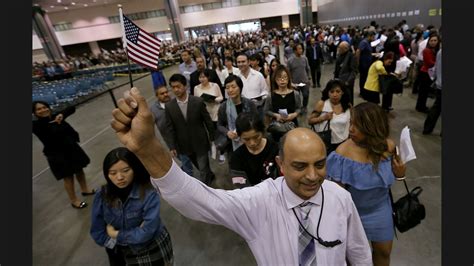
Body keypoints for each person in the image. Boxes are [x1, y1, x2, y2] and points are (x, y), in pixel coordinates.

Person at [110, 87, 373, 265]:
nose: (313, 176)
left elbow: (360, 254)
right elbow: (198, 200)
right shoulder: (259, 202)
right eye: (300, 166)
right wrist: (148, 149)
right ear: (281, 164)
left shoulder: (340, 198)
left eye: (320, 164)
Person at [326, 102, 406, 266]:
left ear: (372, 127)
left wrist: (400, 175)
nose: (351, 129)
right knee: (353, 259)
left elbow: (395, 177)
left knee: (383, 252)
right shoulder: (342, 153)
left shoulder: (388, 147)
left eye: (357, 125)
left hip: (381, 210)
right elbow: (336, 196)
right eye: (351, 123)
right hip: (352, 214)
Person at [90, 147, 174, 266]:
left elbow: (148, 231)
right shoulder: (102, 194)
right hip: (117, 251)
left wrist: (116, 235)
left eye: (125, 170)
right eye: (113, 173)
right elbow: (97, 230)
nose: (119, 177)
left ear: (135, 169)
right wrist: (114, 244)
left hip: (149, 248)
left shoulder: (148, 192)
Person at [32, 101, 94, 209]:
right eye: (39, 109)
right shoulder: (36, 125)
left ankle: (85, 189)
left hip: (71, 147)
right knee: (68, 176)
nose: (43, 110)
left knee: (79, 169)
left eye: (44, 107)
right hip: (56, 154)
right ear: (35, 113)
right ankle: (74, 200)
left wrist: (62, 115)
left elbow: (71, 108)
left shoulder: (56, 116)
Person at [164, 73, 216, 185]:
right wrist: (172, 146)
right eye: (173, 87)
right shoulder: (169, 106)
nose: (176, 90)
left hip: (200, 142)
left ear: (185, 86)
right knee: (199, 166)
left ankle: (206, 188)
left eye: (178, 86)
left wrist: (212, 137)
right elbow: (170, 128)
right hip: (184, 145)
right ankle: (209, 174)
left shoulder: (197, 102)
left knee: (202, 168)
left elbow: (207, 121)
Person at [230, 112, 279, 188]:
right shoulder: (236, 158)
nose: (252, 143)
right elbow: (241, 185)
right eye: (246, 139)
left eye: (256, 137)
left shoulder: (275, 149)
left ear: (262, 132)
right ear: (239, 136)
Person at [216, 75, 258, 161]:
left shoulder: (249, 104)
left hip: (250, 141)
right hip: (232, 143)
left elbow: (257, 121)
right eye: (227, 88)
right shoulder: (223, 106)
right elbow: (219, 124)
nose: (230, 90)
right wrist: (227, 132)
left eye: (233, 87)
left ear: (240, 88)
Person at [308, 79, 351, 154]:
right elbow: (310, 121)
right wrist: (323, 118)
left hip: (344, 142)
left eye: (338, 91)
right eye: (332, 92)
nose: (335, 94)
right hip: (327, 143)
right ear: (328, 93)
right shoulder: (322, 104)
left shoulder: (347, 106)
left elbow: (352, 122)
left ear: (342, 92)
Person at [264, 65, 303, 142]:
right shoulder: (271, 96)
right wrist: (276, 115)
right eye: (279, 78)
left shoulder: (295, 94)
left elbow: (299, 108)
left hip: (292, 125)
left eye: (285, 77)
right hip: (277, 127)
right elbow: (266, 110)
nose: (282, 80)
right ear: (275, 80)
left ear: (288, 79)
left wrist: (294, 115)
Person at [416, 33, 440, 113]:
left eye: (435, 40)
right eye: (431, 40)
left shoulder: (436, 51)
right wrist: (438, 63)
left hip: (430, 73)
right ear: (428, 41)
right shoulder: (426, 50)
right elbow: (429, 63)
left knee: (425, 92)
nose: (433, 42)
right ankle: (421, 107)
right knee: (423, 92)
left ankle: (421, 106)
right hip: (425, 73)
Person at [423, 48, 442, 135]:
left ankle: (427, 128)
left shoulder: (440, 51)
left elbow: (436, 67)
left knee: (436, 107)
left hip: (439, 84)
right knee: (437, 107)